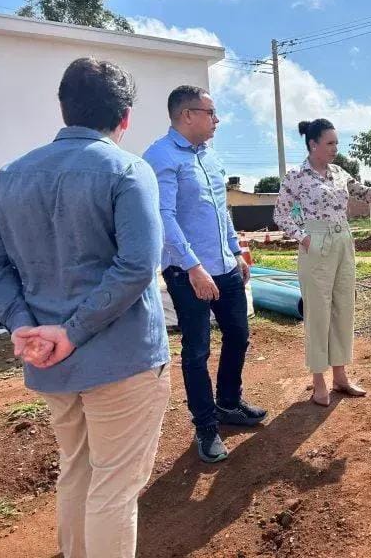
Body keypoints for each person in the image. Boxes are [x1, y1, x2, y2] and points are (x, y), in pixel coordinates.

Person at [0, 57, 170, 558]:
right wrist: (75, 330)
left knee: (77, 469)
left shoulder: (10, 175)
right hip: (122, 361)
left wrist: (23, 325)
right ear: (124, 117)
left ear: (64, 109)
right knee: (114, 487)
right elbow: (136, 267)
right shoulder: (128, 169)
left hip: (47, 361)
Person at [143, 85, 266, 464]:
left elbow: (220, 209)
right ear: (187, 115)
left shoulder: (210, 157)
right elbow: (164, 217)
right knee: (196, 350)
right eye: (211, 113)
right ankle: (206, 427)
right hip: (188, 273)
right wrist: (193, 266)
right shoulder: (160, 157)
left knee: (239, 335)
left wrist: (234, 250)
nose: (217, 120)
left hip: (224, 267)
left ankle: (228, 403)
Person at [274, 119, 371, 406]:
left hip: (343, 240)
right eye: (330, 143)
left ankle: (340, 375)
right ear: (313, 144)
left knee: (343, 308)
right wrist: (304, 237)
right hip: (316, 241)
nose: (336, 148)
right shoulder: (296, 175)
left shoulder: (338, 173)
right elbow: (281, 215)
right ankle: (318, 380)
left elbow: (367, 193)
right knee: (318, 312)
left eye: (337, 142)